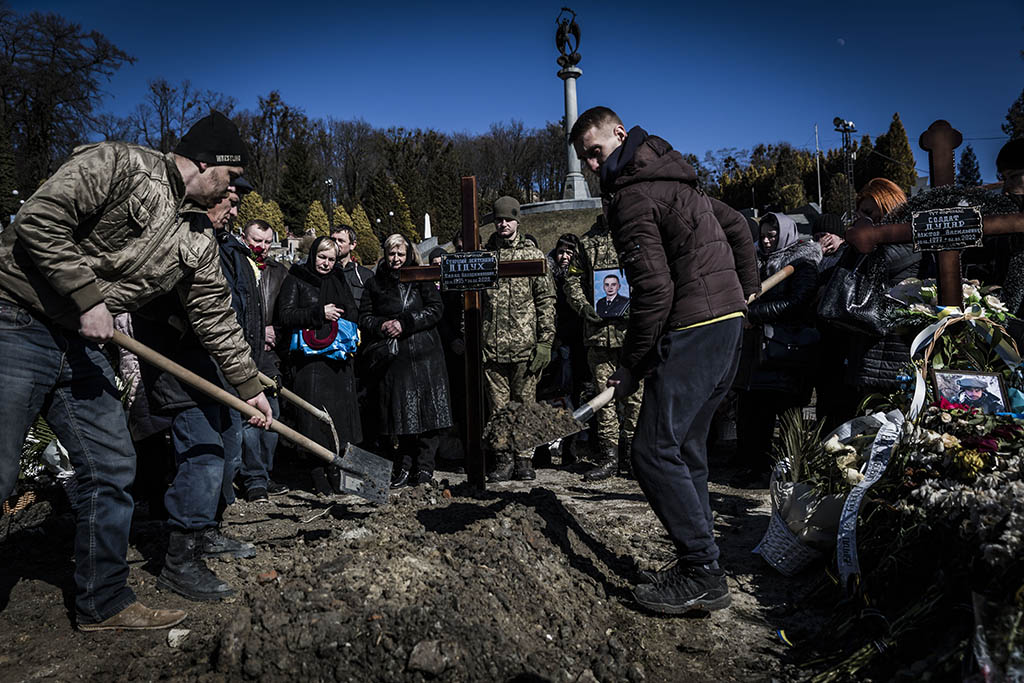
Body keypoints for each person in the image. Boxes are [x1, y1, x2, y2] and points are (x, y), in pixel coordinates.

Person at [0, 111, 272, 631]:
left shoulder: (195, 235)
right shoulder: (121, 164)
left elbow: (215, 315)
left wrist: (248, 387)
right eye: (232, 178)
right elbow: (39, 218)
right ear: (209, 163)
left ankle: (103, 602)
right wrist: (85, 296)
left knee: (112, 465)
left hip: (82, 347)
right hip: (17, 319)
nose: (232, 190)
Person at [569, 106, 758, 614]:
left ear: (620, 135)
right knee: (686, 448)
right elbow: (738, 226)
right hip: (727, 328)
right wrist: (744, 294)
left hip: (695, 329)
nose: (590, 165)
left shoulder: (631, 197)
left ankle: (701, 570)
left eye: (596, 151)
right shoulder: (676, 176)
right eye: (583, 157)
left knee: (651, 452)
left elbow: (653, 292)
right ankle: (702, 564)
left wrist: (631, 365)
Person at [133, 176, 260, 603]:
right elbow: (159, 300)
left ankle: (207, 532)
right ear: (207, 195)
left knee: (225, 442)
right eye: (231, 199)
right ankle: (179, 560)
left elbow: (228, 310)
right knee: (203, 453)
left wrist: (245, 374)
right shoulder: (172, 232)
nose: (236, 209)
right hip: (175, 362)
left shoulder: (218, 241)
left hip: (210, 363)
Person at [818, 178, 921, 429]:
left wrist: (859, 240)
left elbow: (879, 266)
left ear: (890, 208)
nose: (863, 219)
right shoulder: (868, 246)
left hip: (891, 352)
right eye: (859, 213)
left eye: (869, 212)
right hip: (865, 352)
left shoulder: (905, 244)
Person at [733, 213, 822, 488]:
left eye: (773, 234)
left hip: (789, 352)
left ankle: (791, 473)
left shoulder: (803, 264)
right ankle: (755, 468)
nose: (767, 240)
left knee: (788, 416)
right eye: (764, 234)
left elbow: (797, 303)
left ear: (785, 234)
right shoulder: (757, 264)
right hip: (759, 353)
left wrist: (754, 314)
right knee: (755, 413)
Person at [359, 234, 452, 486]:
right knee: (401, 415)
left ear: (408, 254)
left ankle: (425, 467)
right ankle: (404, 465)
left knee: (428, 415)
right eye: (392, 254)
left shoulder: (421, 278)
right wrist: (383, 325)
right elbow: (365, 317)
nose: (396, 259)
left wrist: (407, 322)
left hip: (425, 354)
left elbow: (435, 309)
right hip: (395, 358)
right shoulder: (375, 283)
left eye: (400, 254)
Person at [276, 236, 362, 492]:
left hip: (337, 362)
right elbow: (285, 315)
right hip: (310, 364)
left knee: (339, 420)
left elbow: (352, 310)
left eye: (331, 259)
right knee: (313, 421)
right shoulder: (297, 278)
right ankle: (316, 473)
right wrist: (318, 313)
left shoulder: (338, 279)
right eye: (322, 257)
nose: (325, 263)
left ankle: (336, 470)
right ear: (313, 255)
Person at [480, 197, 556, 482]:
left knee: (524, 406)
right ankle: (503, 460)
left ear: (517, 221)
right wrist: (474, 339)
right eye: (498, 220)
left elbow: (546, 301)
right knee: (498, 411)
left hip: (525, 347)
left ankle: (524, 460)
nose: (503, 224)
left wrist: (545, 341)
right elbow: (471, 304)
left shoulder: (534, 256)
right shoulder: (485, 257)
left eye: (508, 219)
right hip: (493, 347)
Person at [564, 218, 644, 481]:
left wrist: (640, 304)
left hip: (632, 335)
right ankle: (609, 457)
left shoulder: (636, 236)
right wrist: (584, 307)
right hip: (598, 335)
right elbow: (572, 281)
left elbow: (651, 276)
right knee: (603, 398)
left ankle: (633, 458)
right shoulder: (587, 243)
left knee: (635, 397)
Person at [224, 218, 290, 502]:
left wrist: (278, 330)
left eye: (266, 242)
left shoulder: (279, 272)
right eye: (255, 240)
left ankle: (266, 471)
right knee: (250, 418)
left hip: (269, 356)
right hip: (243, 352)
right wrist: (254, 331)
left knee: (272, 415)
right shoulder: (236, 266)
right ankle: (254, 480)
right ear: (243, 236)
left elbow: (289, 310)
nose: (261, 247)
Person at [331, 224, 374, 306]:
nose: (336, 244)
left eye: (341, 241)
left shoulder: (365, 275)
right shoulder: (325, 271)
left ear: (352, 245)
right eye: (333, 240)